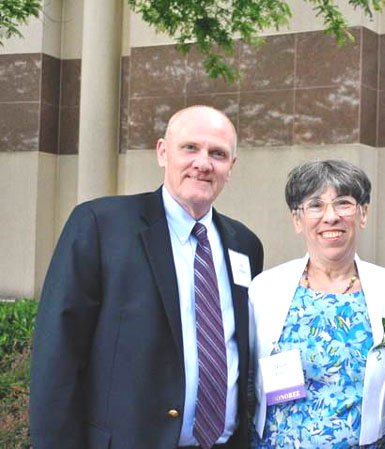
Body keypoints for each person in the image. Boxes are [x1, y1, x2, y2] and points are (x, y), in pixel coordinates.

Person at [30, 105, 264, 449]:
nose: (203, 163)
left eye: (218, 153)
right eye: (190, 148)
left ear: (231, 167)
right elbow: (58, 355)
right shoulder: (101, 226)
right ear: (162, 152)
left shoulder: (244, 245)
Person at [249, 159, 385, 448]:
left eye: (344, 203)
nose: (331, 217)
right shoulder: (265, 289)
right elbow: (249, 379)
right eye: (315, 205)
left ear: (363, 214)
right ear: (297, 219)